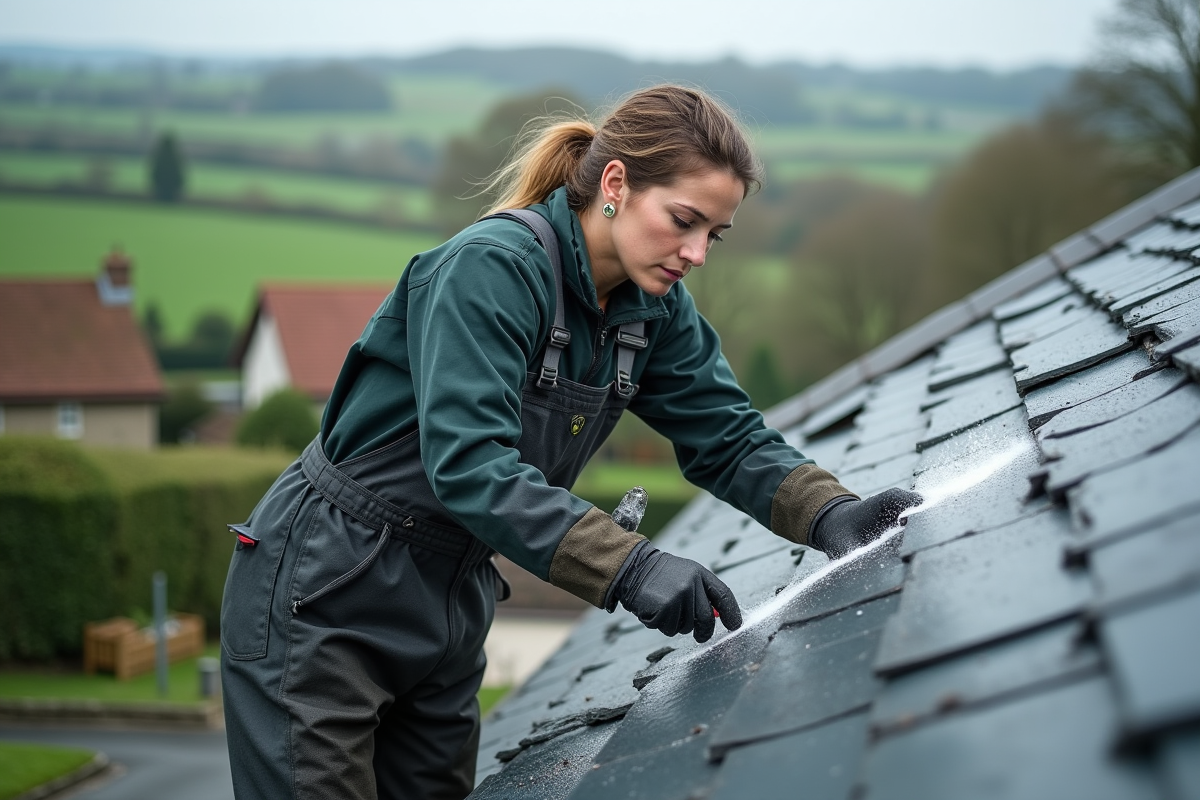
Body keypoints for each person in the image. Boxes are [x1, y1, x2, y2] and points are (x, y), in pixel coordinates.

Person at [219, 84, 920, 800]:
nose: (698, 252)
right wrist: (632, 566)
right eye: (684, 220)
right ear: (615, 184)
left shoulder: (653, 312)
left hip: (451, 602)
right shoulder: (491, 270)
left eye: (715, 233)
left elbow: (728, 435)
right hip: (327, 588)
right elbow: (471, 465)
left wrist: (831, 513)